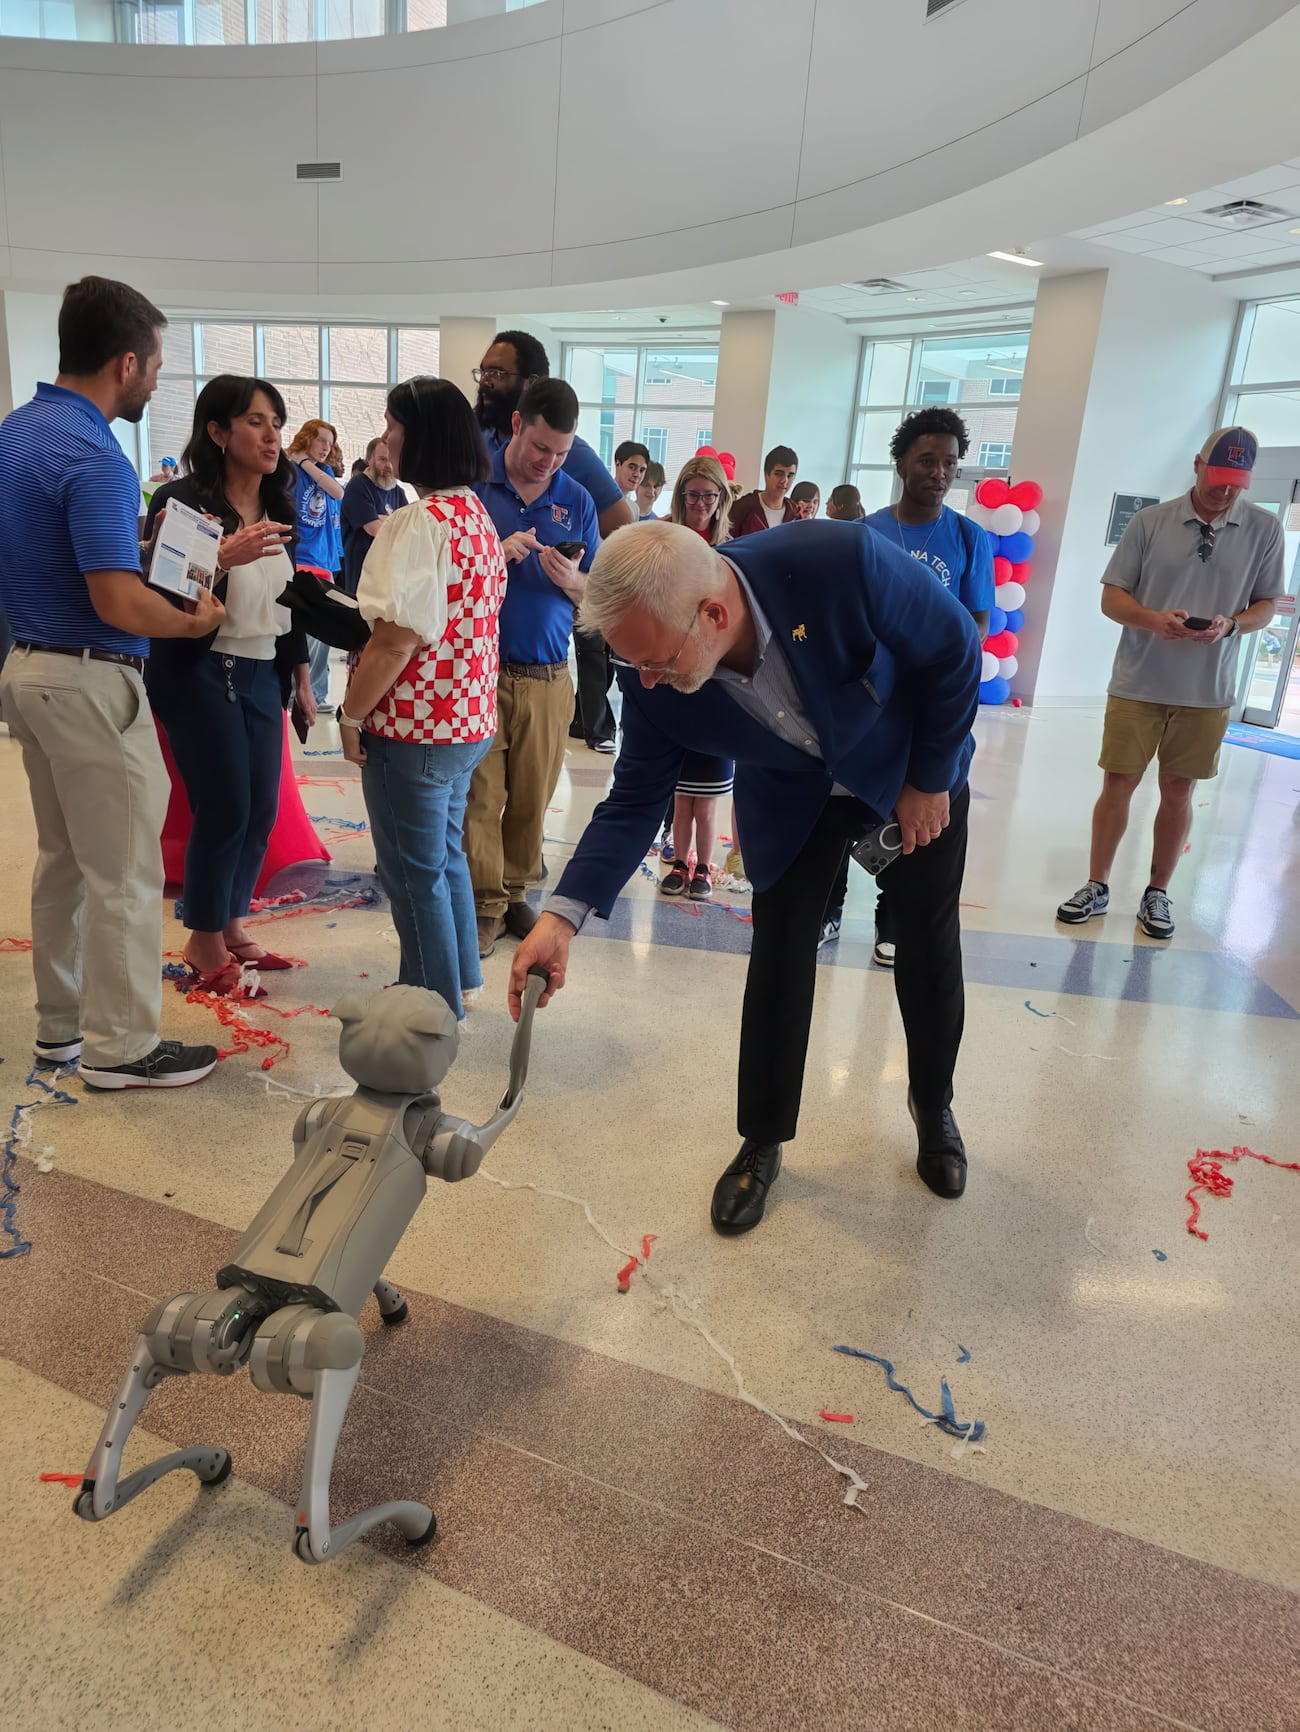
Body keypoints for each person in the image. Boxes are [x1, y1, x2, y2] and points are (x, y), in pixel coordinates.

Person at [510, 519, 981, 1235]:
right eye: (634, 665)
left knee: (925, 939)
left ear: (715, 615)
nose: (647, 682)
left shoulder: (838, 562)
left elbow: (954, 651)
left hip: (910, 772)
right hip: (792, 800)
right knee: (780, 955)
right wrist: (560, 915)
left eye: (659, 662)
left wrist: (929, 779)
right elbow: (636, 796)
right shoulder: (652, 668)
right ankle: (763, 1138)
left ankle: (933, 1105)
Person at [0, 275, 221, 1090]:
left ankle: (61, 1029)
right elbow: (117, 597)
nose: (157, 380)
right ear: (126, 362)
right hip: (92, 677)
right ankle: (122, 1047)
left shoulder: (15, 434)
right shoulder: (94, 453)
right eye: (156, 365)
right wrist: (198, 620)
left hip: (27, 670)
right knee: (125, 871)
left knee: (63, 859)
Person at [1057, 426, 1283, 941]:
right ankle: (1097, 884)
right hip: (1139, 680)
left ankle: (1158, 891)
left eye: (1236, 485)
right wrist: (1151, 619)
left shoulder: (1264, 530)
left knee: (1178, 790)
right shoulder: (1150, 521)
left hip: (1208, 688)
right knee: (1118, 784)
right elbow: (1111, 597)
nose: (1225, 492)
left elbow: (1268, 605)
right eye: (1218, 479)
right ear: (1198, 464)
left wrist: (1232, 625)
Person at [338, 378, 506, 1019]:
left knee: (412, 873)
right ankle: (459, 976)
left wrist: (351, 715)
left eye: (393, 426)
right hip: (465, 721)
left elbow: (394, 642)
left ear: (422, 438)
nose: (386, 439)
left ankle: (430, 1009)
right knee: (444, 856)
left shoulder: (418, 524)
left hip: (414, 731)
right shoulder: (475, 517)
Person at [144, 376, 314, 995]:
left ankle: (233, 924)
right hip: (201, 669)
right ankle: (203, 939)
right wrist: (221, 558)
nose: (272, 436)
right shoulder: (184, 501)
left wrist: (300, 676)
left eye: (276, 422)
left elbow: (288, 599)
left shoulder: (280, 503)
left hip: (263, 667)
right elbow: (161, 596)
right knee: (225, 807)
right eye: (255, 422)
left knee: (261, 811)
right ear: (217, 433)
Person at [830, 408, 995, 966]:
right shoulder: (865, 534)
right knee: (850, 810)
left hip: (931, 706)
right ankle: (828, 909)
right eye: (927, 460)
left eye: (950, 462)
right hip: (871, 705)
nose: (939, 472)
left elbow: (974, 628)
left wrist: (931, 655)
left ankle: (890, 921)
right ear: (901, 463)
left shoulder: (970, 539)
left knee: (911, 822)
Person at [466, 378, 599, 959]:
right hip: (480, 672)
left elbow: (600, 594)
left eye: (561, 453)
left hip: (548, 676)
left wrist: (576, 584)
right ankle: (482, 904)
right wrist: (498, 555)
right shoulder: (474, 487)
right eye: (541, 448)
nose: (548, 463)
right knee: (481, 795)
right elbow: (444, 579)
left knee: (531, 798)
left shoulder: (577, 497)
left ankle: (515, 891)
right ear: (517, 425)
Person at [659, 453, 735, 900]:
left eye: (709, 495)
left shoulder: (731, 545)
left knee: (706, 792)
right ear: (682, 495)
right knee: (679, 788)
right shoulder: (666, 538)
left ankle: (704, 866)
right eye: (693, 494)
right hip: (672, 665)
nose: (701, 503)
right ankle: (678, 860)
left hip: (714, 674)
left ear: (720, 498)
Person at [474, 331, 632, 539]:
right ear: (516, 423)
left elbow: (627, 533)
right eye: (484, 372)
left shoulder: (576, 456)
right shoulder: (476, 443)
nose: (486, 382)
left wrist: (573, 571)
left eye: (498, 374)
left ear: (531, 382)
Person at [287, 418, 345, 708]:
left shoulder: (323, 471)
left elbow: (337, 493)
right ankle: (298, 691)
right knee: (300, 632)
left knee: (322, 634)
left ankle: (317, 693)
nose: (326, 447)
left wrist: (306, 463)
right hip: (300, 557)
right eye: (321, 440)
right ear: (307, 438)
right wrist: (297, 463)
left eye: (330, 442)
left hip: (324, 559)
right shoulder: (290, 472)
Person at [340, 435, 406, 597]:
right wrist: (394, 521)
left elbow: (409, 527)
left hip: (389, 576)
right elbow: (374, 529)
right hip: (363, 577)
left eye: (391, 460)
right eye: (382, 460)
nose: (388, 466)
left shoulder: (397, 492)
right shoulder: (359, 485)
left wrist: (381, 518)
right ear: (369, 460)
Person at [728, 446, 799, 536]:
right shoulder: (743, 507)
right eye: (779, 474)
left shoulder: (795, 513)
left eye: (790, 475)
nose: (784, 480)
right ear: (766, 474)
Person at [613, 441, 650, 517]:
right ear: (618, 464)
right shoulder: (600, 499)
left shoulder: (634, 509)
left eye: (642, 470)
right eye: (632, 467)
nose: (637, 474)